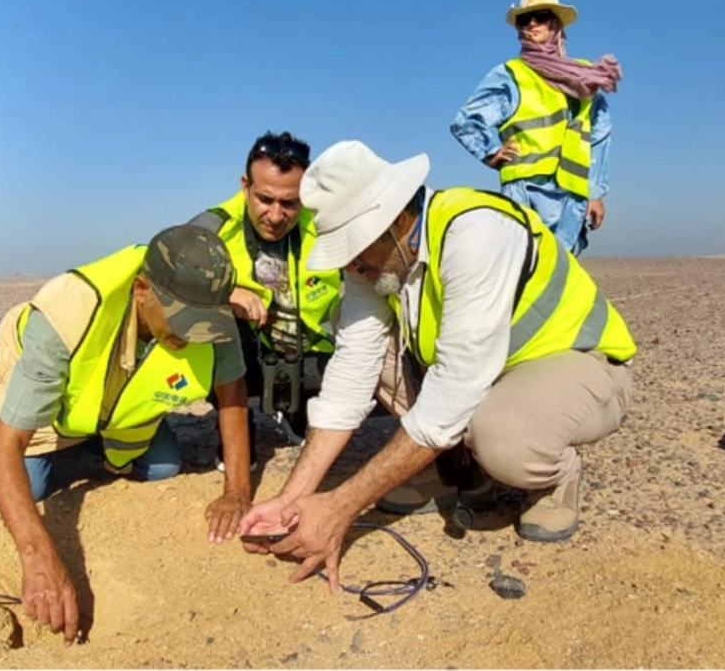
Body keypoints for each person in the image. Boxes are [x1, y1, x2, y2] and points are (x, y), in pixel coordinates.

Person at [238, 141, 638, 587]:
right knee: (351, 331)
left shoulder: (476, 233)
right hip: (487, 376)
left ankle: (554, 476)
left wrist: (339, 507)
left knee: (506, 439)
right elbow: (351, 374)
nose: (350, 265)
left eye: (353, 250)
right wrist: (290, 500)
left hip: (576, 361)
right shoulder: (377, 259)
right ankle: (454, 470)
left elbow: (453, 392)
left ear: (396, 221)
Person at [0, 224, 254, 645]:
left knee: (162, 466)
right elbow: (5, 447)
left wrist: (237, 489)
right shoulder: (69, 314)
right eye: (182, 322)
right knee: (22, 485)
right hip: (38, 367)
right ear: (142, 289)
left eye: (202, 324)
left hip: (114, 397)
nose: (191, 336)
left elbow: (232, 392)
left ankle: (96, 435)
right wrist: (39, 557)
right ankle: (81, 439)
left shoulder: (211, 312)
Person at [187, 132, 341, 462]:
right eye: (265, 199)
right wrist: (223, 294)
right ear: (245, 186)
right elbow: (161, 283)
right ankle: (236, 425)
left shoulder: (328, 229)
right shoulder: (210, 228)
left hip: (308, 355)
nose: (275, 215)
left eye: (289, 203)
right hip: (246, 359)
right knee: (216, 323)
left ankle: (301, 410)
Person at [450, 0, 623, 256]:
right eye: (524, 19)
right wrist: (490, 153)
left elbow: (600, 135)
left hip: (572, 195)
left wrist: (595, 192)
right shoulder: (510, 74)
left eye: (540, 16)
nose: (532, 23)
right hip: (525, 190)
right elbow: (466, 121)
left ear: (555, 24)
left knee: (562, 267)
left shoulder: (584, 77)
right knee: (526, 264)